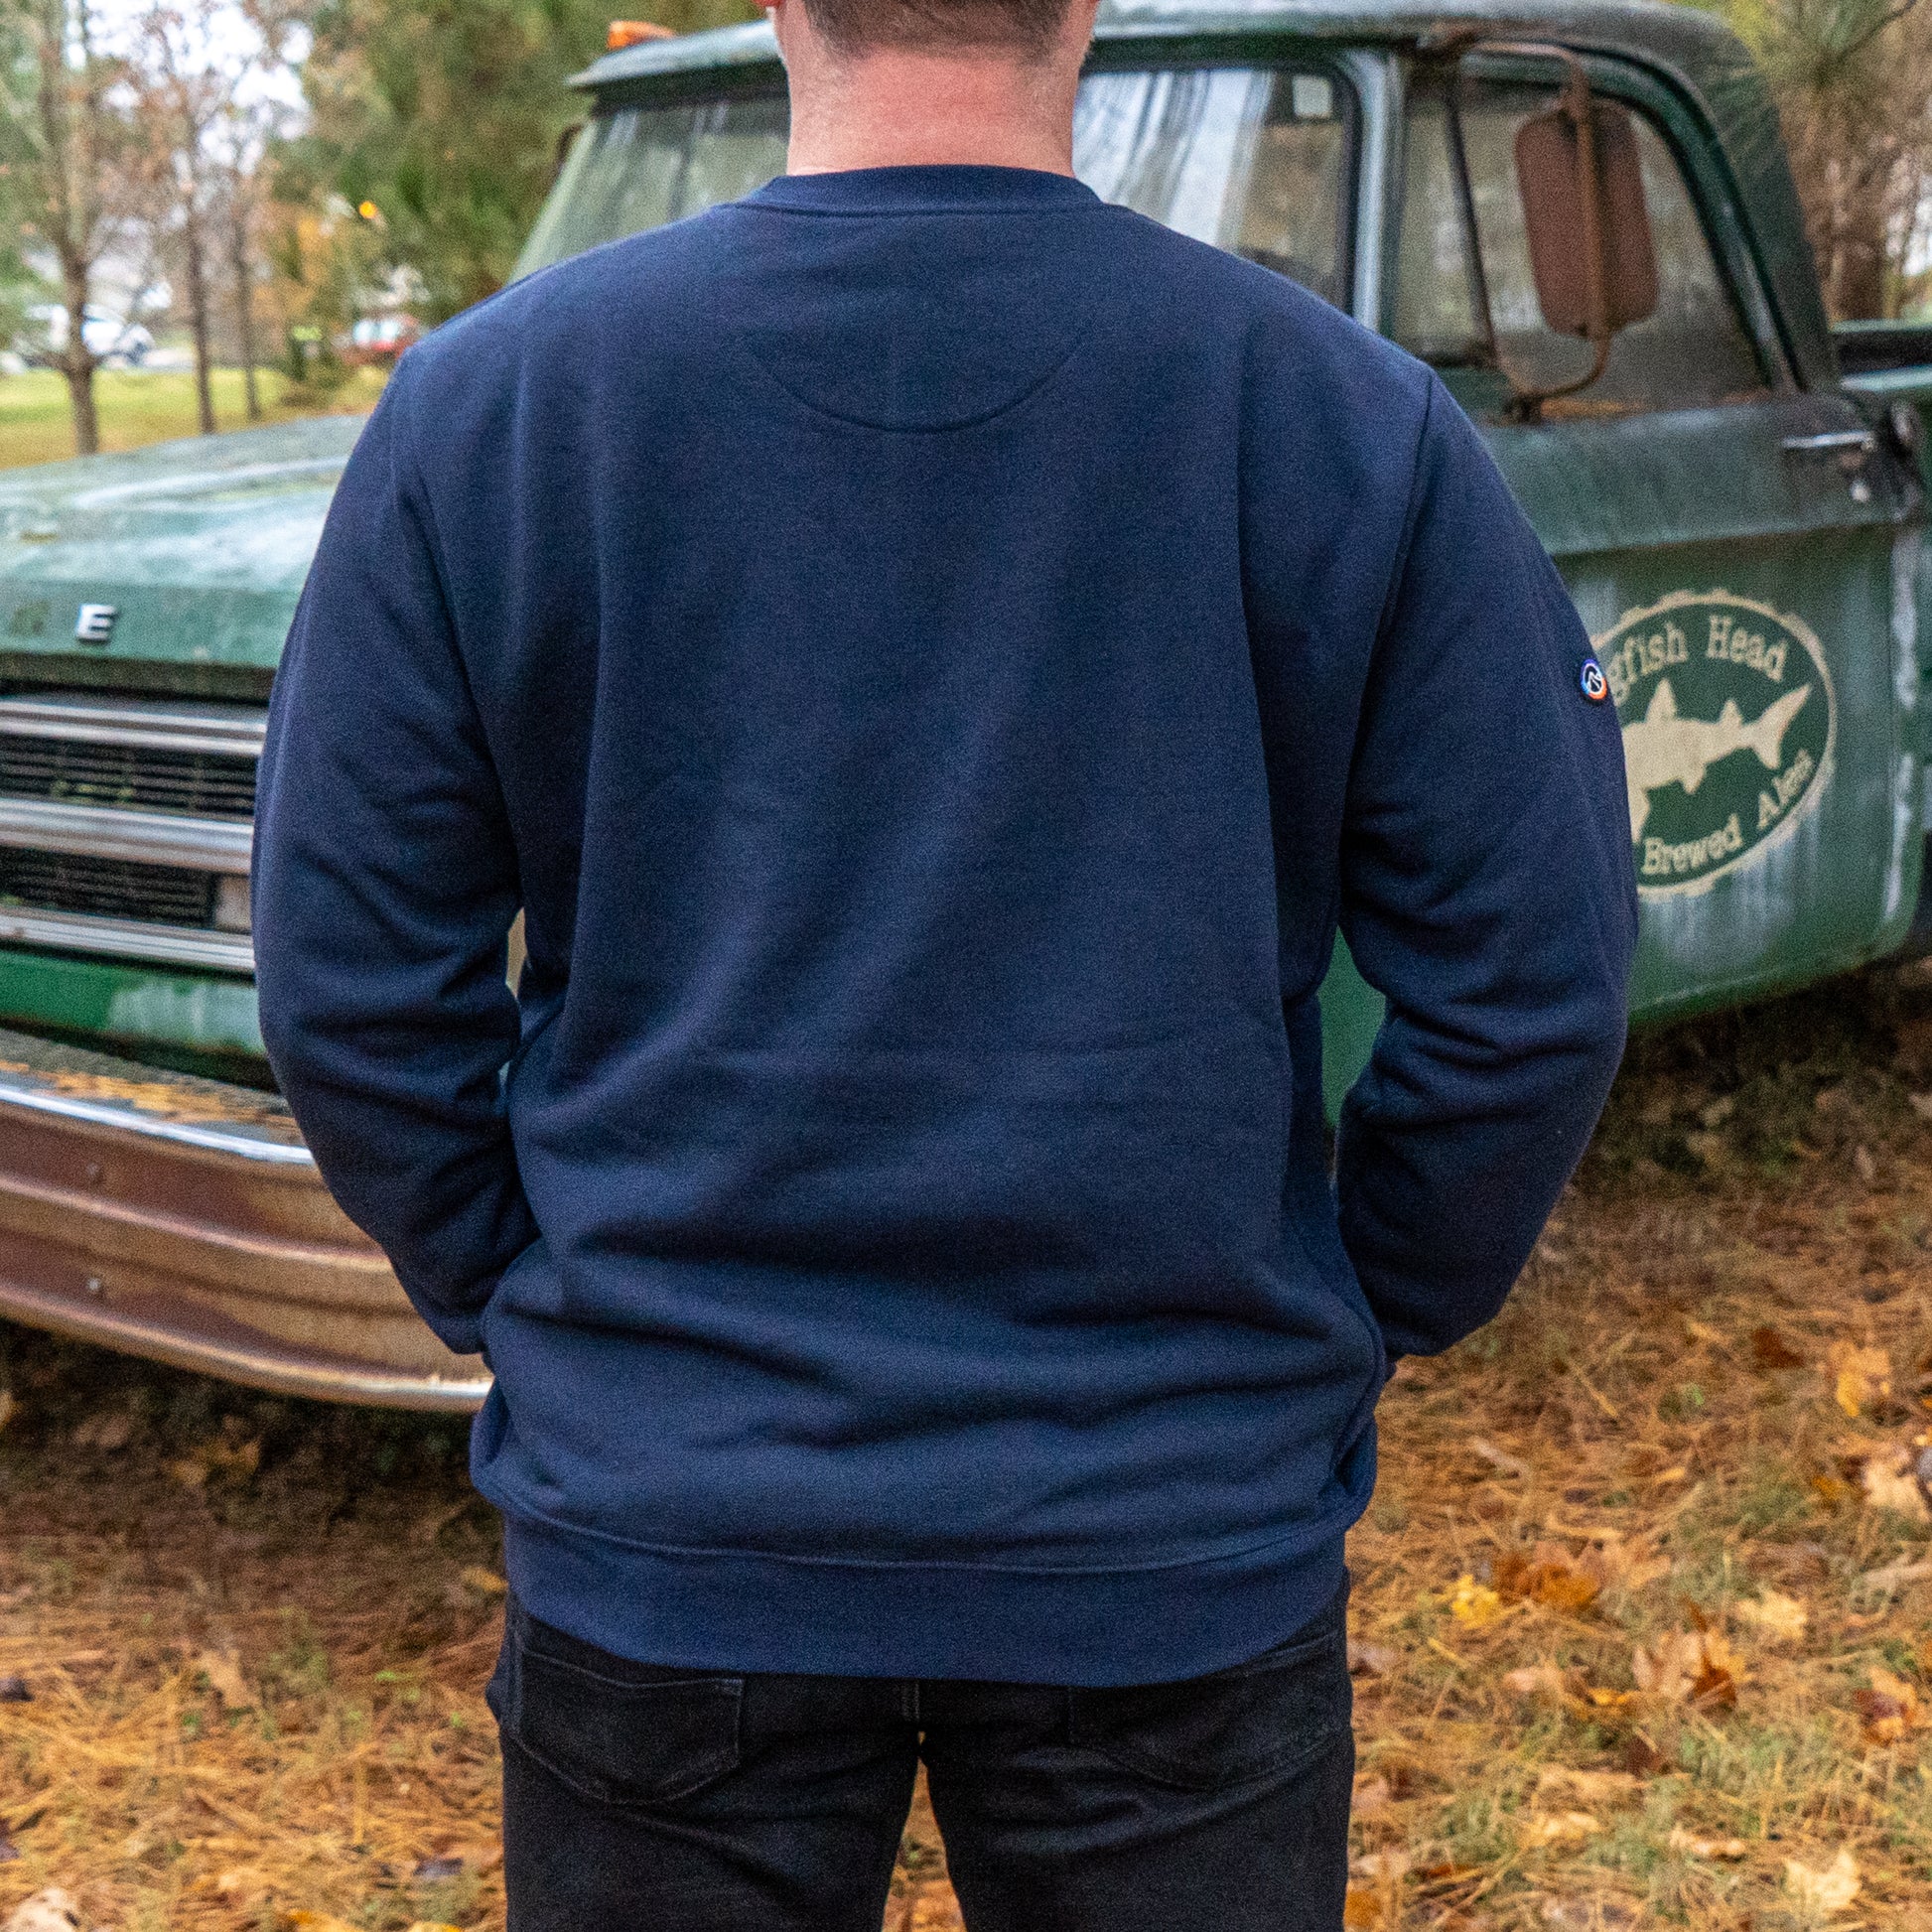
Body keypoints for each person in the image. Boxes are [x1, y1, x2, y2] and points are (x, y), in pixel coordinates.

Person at [250, 0, 1637, 1915]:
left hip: (682, 1495)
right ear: (1086, 6)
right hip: (1159, 1515)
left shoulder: (494, 409)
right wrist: (1338, 1307)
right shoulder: (1335, 413)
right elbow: (1537, 977)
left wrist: (562, 1304)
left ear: (774, 1)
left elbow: (340, 978)